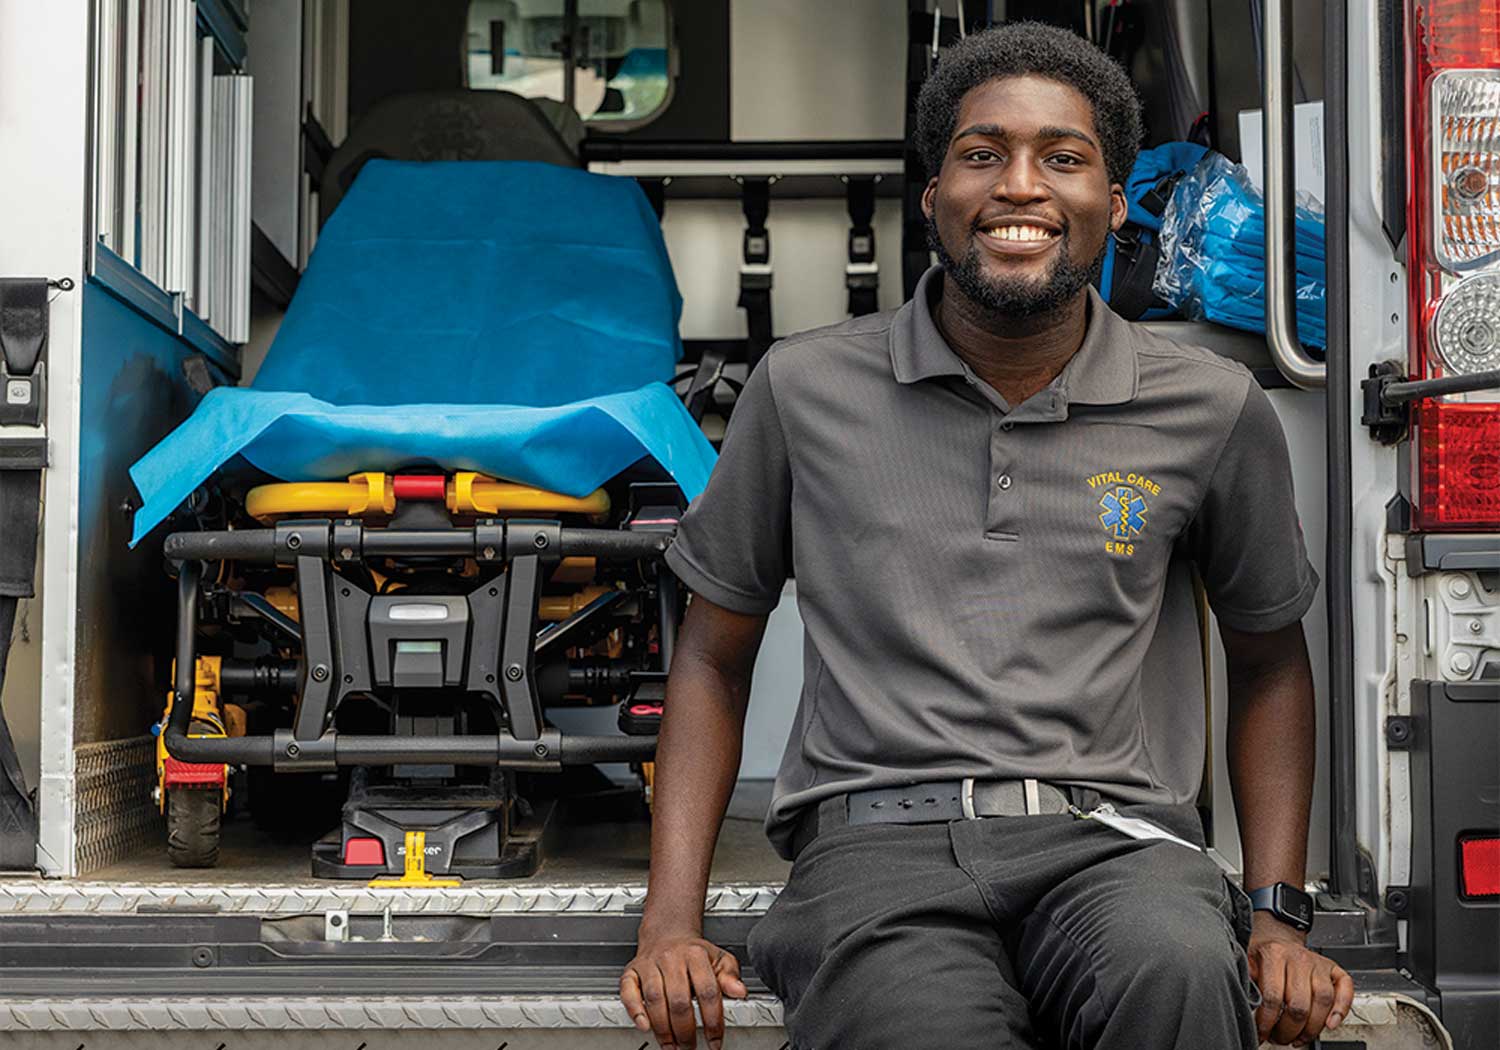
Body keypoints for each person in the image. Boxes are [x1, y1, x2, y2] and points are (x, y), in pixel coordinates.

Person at [620, 21, 1355, 1050]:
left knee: (1179, 971)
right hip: (875, 850)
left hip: (1119, 845)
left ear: (1113, 197)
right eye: (980, 155)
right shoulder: (805, 387)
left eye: (1064, 157)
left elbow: (1271, 662)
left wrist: (1277, 914)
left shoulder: (1210, 407)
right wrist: (670, 923)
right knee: (915, 1029)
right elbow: (709, 658)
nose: (1021, 186)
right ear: (933, 198)